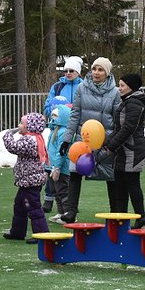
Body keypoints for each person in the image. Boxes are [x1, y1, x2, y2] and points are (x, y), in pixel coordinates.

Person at [58, 57, 120, 223]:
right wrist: (66, 139)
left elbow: (117, 119)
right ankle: (71, 211)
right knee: (75, 174)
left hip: (105, 140)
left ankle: (115, 213)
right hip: (82, 139)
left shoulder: (115, 92)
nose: (96, 73)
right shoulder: (81, 88)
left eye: (100, 70)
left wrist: (111, 140)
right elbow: (75, 114)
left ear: (107, 73)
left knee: (110, 175)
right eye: (94, 69)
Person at [102, 72, 145, 228]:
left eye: (122, 85)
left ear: (131, 87)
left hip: (133, 150)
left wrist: (111, 145)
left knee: (132, 183)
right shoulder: (127, 102)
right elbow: (118, 128)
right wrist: (106, 142)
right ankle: (121, 218)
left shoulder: (134, 103)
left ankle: (141, 216)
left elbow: (128, 128)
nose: (119, 88)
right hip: (123, 150)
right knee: (119, 184)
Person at [41, 57, 83, 213]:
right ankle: (51, 200)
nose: (68, 73)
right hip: (58, 129)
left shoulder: (83, 86)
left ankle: (69, 206)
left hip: (77, 130)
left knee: (69, 168)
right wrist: (57, 112)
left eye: (71, 71)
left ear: (78, 72)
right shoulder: (57, 86)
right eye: (65, 70)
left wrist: (74, 113)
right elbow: (48, 106)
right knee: (53, 163)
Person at [3, 113, 51, 244]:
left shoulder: (30, 140)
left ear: (29, 126)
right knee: (20, 205)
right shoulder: (36, 138)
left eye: (21, 123)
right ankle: (17, 232)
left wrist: (8, 135)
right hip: (28, 180)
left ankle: (41, 233)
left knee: (33, 206)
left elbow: (13, 147)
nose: (19, 126)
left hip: (30, 180)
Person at [45, 104, 72, 225]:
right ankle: (61, 213)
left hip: (61, 168)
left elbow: (60, 152)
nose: (53, 118)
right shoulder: (54, 130)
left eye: (56, 116)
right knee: (55, 190)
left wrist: (57, 167)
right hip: (52, 166)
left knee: (63, 191)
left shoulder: (63, 132)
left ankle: (67, 213)